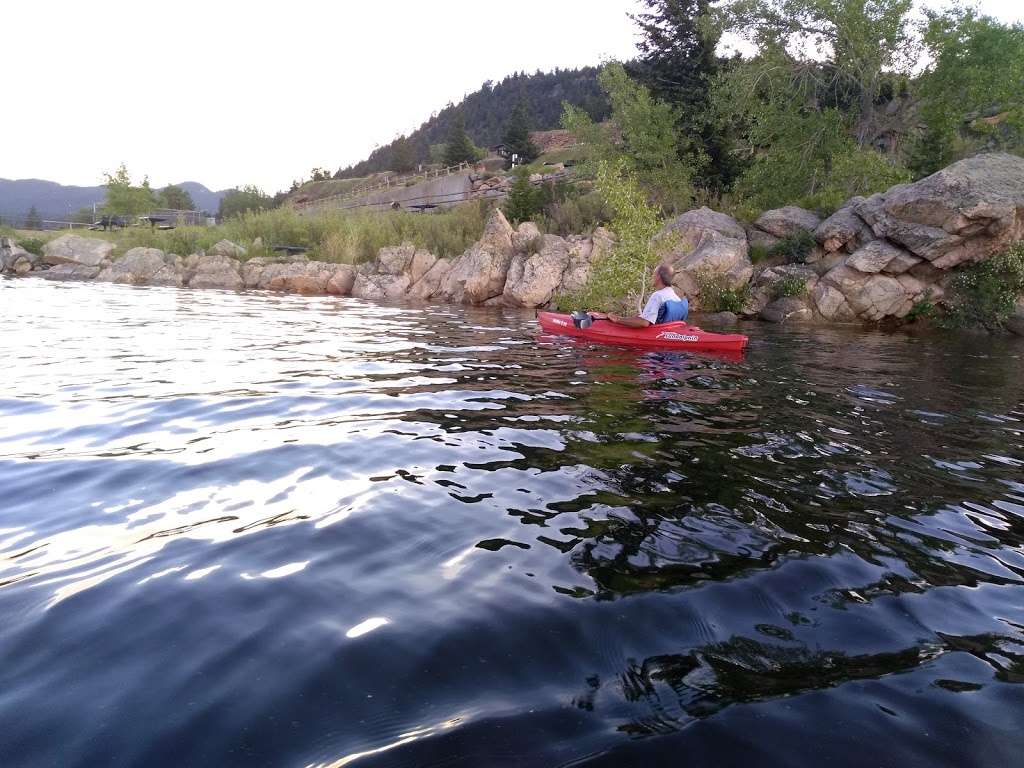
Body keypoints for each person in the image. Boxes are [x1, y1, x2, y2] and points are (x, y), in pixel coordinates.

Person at [595, 264, 688, 328]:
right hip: (669, 332)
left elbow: (644, 323)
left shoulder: (658, 296)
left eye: (653, 274)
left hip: (656, 335)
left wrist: (617, 319)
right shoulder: (673, 295)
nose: (651, 277)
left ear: (658, 277)